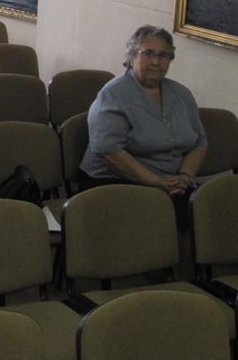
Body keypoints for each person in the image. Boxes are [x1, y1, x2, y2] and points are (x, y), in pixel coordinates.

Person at [81, 25, 207, 229]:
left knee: (209, 210)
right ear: (132, 56)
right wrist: (156, 182)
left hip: (174, 183)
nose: (156, 61)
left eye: (164, 55)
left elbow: (200, 142)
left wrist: (185, 176)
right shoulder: (114, 95)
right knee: (166, 215)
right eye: (148, 53)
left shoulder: (181, 94)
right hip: (115, 181)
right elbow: (108, 150)